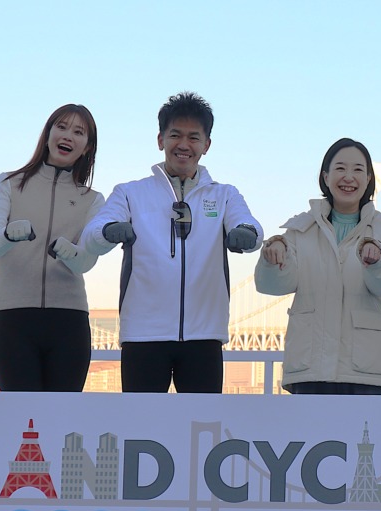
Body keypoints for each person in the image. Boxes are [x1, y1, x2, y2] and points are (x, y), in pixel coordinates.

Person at [81, 92, 262, 393]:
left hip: (205, 337)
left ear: (207, 145)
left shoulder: (225, 195)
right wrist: (109, 230)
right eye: (175, 135)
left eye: (194, 137)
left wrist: (246, 234)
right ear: (160, 139)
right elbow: (93, 234)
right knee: (141, 421)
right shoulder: (130, 192)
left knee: (202, 420)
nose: (184, 145)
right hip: (143, 336)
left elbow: (250, 226)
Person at [254, 138, 381, 395]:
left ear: (368, 179)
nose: (348, 177)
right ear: (326, 177)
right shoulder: (300, 230)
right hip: (310, 371)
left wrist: (379, 261)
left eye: (358, 169)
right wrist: (272, 259)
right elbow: (271, 286)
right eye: (340, 168)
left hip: (365, 373)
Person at [0, 104, 104, 391]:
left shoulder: (92, 200)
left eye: (78, 132)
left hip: (69, 320)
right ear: (47, 134)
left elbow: (86, 262)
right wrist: (8, 235)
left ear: (87, 147)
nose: (68, 135)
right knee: (20, 413)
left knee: (63, 414)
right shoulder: (8, 184)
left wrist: (68, 251)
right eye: (61, 127)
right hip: (12, 318)